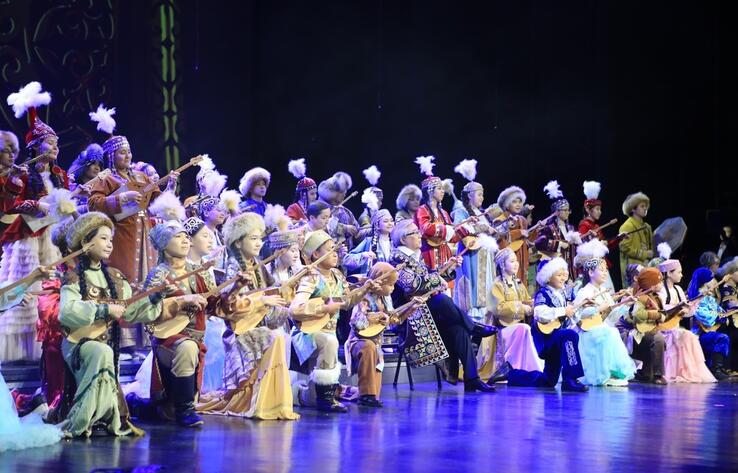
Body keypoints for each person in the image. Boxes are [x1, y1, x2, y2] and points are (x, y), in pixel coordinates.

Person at [59, 212, 164, 437]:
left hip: (107, 344)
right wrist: (104, 310)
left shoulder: (116, 277)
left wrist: (155, 297)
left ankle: (102, 418)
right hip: (79, 344)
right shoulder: (73, 278)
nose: (109, 244)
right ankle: (80, 421)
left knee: (104, 352)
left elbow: (132, 310)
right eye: (103, 238)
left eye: (111, 239)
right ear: (86, 242)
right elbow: (67, 313)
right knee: (101, 352)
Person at [197, 213, 299, 420]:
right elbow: (230, 306)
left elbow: (272, 290)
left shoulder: (257, 264)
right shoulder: (234, 266)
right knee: (276, 337)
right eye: (253, 238)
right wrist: (262, 300)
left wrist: (289, 285)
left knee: (278, 336)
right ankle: (257, 403)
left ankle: (270, 403)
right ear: (238, 241)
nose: (259, 243)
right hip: (241, 331)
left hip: (258, 325)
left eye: (260, 238)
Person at [1, 84, 70, 362]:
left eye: (56, 143)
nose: (55, 147)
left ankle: (50, 340)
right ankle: (23, 348)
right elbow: (10, 206)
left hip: (51, 237)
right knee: (27, 287)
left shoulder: (59, 174)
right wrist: (35, 205)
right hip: (27, 237)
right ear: (35, 146)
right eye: (49, 143)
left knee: (50, 287)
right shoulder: (22, 174)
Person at [389, 219, 497, 392]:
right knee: (442, 300)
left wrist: (448, 267)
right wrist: (436, 279)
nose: (420, 235)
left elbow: (432, 277)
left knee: (459, 328)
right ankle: (474, 327)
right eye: (415, 233)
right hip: (410, 315)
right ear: (403, 239)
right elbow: (412, 285)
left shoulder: (415, 257)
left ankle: (472, 378)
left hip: (427, 311)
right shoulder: (396, 259)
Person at [289, 230, 376, 412]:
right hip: (307, 333)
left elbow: (346, 302)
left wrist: (364, 289)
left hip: (328, 331)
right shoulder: (311, 277)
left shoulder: (337, 275)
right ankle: (326, 400)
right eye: (329, 250)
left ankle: (300, 395)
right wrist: (323, 309)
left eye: (335, 250)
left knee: (312, 396)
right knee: (330, 342)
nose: (335, 254)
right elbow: (295, 309)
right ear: (316, 254)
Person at [490, 257, 588, 392]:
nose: (563, 278)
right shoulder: (543, 293)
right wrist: (563, 311)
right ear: (548, 278)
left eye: (563, 275)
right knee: (570, 335)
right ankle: (570, 378)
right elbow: (539, 312)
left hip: (556, 339)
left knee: (547, 381)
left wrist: (581, 307)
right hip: (546, 338)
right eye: (558, 275)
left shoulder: (563, 294)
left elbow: (571, 315)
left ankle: (511, 373)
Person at [478, 248, 543, 382]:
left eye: (516, 261)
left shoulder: (517, 283)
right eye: (512, 261)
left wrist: (534, 304)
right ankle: (513, 368)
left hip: (516, 327)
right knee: (523, 328)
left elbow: (526, 300)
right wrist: (521, 307)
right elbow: (498, 308)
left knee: (526, 329)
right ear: (502, 264)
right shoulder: (497, 285)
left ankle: (524, 370)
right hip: (500, 329)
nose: (516, 264)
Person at [451, 159, 500, 324]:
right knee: (473, 291)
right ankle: (472, 321)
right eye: (479, 194)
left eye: (482, 194)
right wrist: (482, 228)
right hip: (472, 257)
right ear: (469, 195)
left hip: (486, 257)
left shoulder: (482, 213)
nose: (482, 197)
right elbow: (460, 229)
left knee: (488, 288)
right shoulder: (462, 211)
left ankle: (486, 321)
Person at [344, 262, 399, 408]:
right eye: (390, 285)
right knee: (369, 347)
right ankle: (365, 395)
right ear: (380, 282)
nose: (393, 288)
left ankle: (360, 393)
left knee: (375, 393)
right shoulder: (364, 296)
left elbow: (392, 321)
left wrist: (410, 308)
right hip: (358, 341)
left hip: (377, 344)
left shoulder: (386, 299)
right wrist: (375, 317)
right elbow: (356, 324)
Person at [688, 268, 732, 380]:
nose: (713, 282)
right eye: (711, 279)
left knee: (724, 336)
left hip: (710, 330)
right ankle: (716, 369)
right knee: (722, 338)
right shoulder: (695, 298)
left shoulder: (709, 297)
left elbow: (719, 310)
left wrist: (724, 317)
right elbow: (700, 314)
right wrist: (716, 317)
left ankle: (718, 366)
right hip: (699, 334)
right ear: (704, 281)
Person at [535, 180, 579, 280]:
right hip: (557, 272)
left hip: (571, 270)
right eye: (565, 210)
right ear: (557, 212)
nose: (568, 212)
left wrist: (578, 242)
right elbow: (539, 243)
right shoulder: (549, 228)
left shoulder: (571, 228)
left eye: (569, 210)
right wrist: (559, 244)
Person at [493, 185, 535, 282]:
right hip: (508, 260)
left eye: (520, 202)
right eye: (514, 202)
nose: (518, 204)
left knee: (522, 283)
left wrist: (536, 231)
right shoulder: (500, 220)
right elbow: (500, 241)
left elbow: (527, 241)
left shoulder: (522, 220)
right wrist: (518, 232)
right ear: (506, 204)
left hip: (522, 258)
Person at [343, 208, 394, 276]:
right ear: (377, 225)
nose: (390, 223)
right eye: (385, 221)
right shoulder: (369, 242)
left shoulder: (394, 243)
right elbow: (347, 260)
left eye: (392, 221)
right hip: (373, 279)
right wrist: (364, 255)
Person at [618, 192, 654, 288]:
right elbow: (624, 247)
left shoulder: (646, 226)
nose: (645, 208)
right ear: (633, 209)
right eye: (642, 206)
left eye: (646, 206)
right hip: (632, 270)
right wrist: (645, 254)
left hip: (645, 267)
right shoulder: (627, 226)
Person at [68, 143, 105, 214]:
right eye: (93, 163)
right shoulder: (72, 188)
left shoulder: (101, 190)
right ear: (84, 164)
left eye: (99, 165)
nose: (97, 168)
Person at [286, 158, 318, 224]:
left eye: (315, 193)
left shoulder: (316, 207)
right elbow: (288, 223)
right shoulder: (294, 207)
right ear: (303, 194)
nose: (315, 196)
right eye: (312, 194)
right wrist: (301, 222)